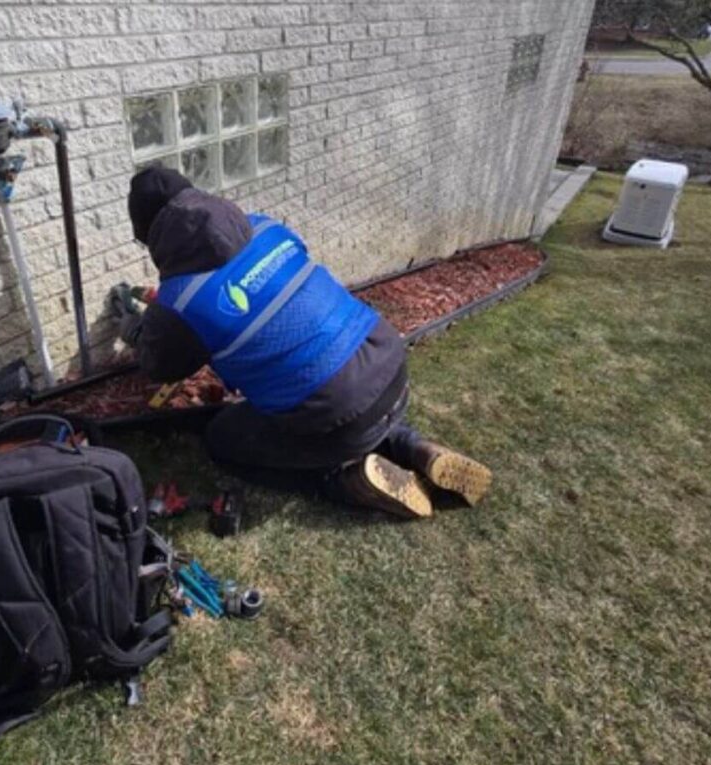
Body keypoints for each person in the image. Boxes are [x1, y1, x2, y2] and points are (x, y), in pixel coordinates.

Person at [117, 166, 491, 519]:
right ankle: (413, 446)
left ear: (152, 236)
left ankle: (344, 481)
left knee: (222, 440)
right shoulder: (265, 228)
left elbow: (160, 365)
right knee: (348, 401)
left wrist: (133, 328)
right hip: (388, 364)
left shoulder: (181, 303)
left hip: (336, 410)